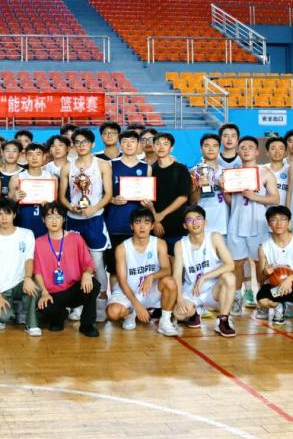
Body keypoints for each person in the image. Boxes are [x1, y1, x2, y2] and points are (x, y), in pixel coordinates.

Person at [59, 128, 113, 321]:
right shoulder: (67, 167)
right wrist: (71, 207)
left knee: (97, 263)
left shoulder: (103, 165)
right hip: (73, 219)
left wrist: (94, 208)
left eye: (85, 142)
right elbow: (62, 197)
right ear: (73, 145)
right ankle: (78, 304)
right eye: (78, 142)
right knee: (74, 264)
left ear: (92, 144)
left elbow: (108, 194)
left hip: (95, 219)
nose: (81, 145)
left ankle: (100, 304)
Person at [225, 136, 279, 318]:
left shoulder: (265, 172)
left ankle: (261, 299)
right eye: (243, 147)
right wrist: (225, 190)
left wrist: (253, 196)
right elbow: (231, 202)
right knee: (237, 264)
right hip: (236, 224)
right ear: (238, 151)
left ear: (257, 151)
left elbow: (275, 198)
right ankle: (237, 298)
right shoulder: (232, 174)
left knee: (259, 263)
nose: (246, 150)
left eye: (250, 147)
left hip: (258, 224)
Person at [106, 207, 179, 336]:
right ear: (131, 226)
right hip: (128, 291)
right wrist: (137, 305)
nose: (142, 226)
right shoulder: (122, 248)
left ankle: (165, 321)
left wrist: (151, 276)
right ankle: (130, 313)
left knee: (170, 282)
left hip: (149, 290)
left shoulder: (159, 243)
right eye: (138, 222)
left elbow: (167, 270)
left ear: (152, 226)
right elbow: (122, 281)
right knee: (112, 313)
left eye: (146, 222)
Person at [31, 203, 100, 337]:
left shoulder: (76, 239)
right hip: (52, 292)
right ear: (43, 220)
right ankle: (60, 316)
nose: (54, 221)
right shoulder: (38, 243)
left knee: (94, 285)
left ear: (64, 219)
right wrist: (44, 292)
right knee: (45, 309)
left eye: (58, 217)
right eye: (50, 217)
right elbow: (37, 272)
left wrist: (87, 274)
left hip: (73, 289)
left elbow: (89, 264)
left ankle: (87, 325)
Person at [172, 205, 236, 337]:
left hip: (214, 290)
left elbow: (230, 264)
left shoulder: (214, 237)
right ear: (185, 225)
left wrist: (204, 277)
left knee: (229, 277)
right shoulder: (180, 245)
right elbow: (176, 276)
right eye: (190, 220)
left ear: (205, 222)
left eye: (198, 219)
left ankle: (223, 321)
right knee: (178, 314)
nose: (195, 223)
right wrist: (180, 300)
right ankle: (195, 313)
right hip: (193, 291)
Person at [0, 198, 41, 336]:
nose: (4, 218)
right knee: (5, 317)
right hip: (0, 288)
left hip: (20, 283)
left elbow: (29, 259)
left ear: (14, 214)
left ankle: (31, 324)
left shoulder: (26, 234)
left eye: (7, 213)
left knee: (35, 288)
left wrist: (27, 278)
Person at [255, 206, 293, 332]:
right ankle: (279, 307)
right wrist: (265, 273)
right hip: (277, 289)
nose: (279, 223)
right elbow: (260, 279)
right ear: (269, 224)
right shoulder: (264, 247)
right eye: (274, 219)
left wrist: (289, 279)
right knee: (262, 300)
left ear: (289, 222)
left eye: (283, 219)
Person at [104, 130, 152, 278]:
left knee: (137, 269)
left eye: (132, 141)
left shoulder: (146, 168)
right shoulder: (110, 165)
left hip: (139, 226)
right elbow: (102, 193)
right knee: (115, 270)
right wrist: (112, 200)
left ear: (138, 144)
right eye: (125, 141)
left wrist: (148, 202)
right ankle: (115, 294)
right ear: (120, 145)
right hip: (116, 224)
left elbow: (148, 194)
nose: (129, 144)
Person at [149, 132, 193, 252]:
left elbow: (183, 197)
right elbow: (148, 199)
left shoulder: (181, 169)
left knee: (178, 259)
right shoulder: (150, 170)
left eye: (165, 144)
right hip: (157, 227)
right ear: (153, 147)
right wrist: (155, 219)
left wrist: (162, 214)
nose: (161, 147)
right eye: (157, 144)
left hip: (178, 225)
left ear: (171, 148)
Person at [8, 142, 55, 239]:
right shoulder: (16, 178)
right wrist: (14, 198)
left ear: (44, 157)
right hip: (23, 222)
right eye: (30, 154)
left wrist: (49, 205)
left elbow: (56, 205)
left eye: (38, 154)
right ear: (26, 157)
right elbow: (8, 206)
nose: (34, 158)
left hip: (45, 222)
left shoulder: (52, 178)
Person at [190, 133, 228, 236]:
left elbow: (233, 203)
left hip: (223, 227)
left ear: (219, 149)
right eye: (207, 146)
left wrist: (223, 188)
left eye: (215, 146)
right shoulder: (193, 172)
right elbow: (191, 202)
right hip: (201, 228)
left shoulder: (226, 172)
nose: (211, 149)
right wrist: (198, 187)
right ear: (201, 149)